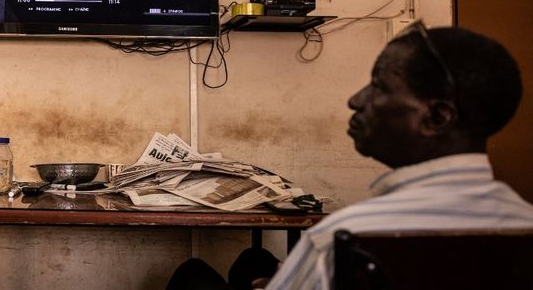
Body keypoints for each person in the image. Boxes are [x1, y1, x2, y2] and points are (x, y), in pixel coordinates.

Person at [167, 22, 533, 290]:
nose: (356, 100)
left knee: (195, 276)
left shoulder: (343, 240)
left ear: (437, 116)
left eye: (379, 86)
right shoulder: (524, 225)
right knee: (254, 262)